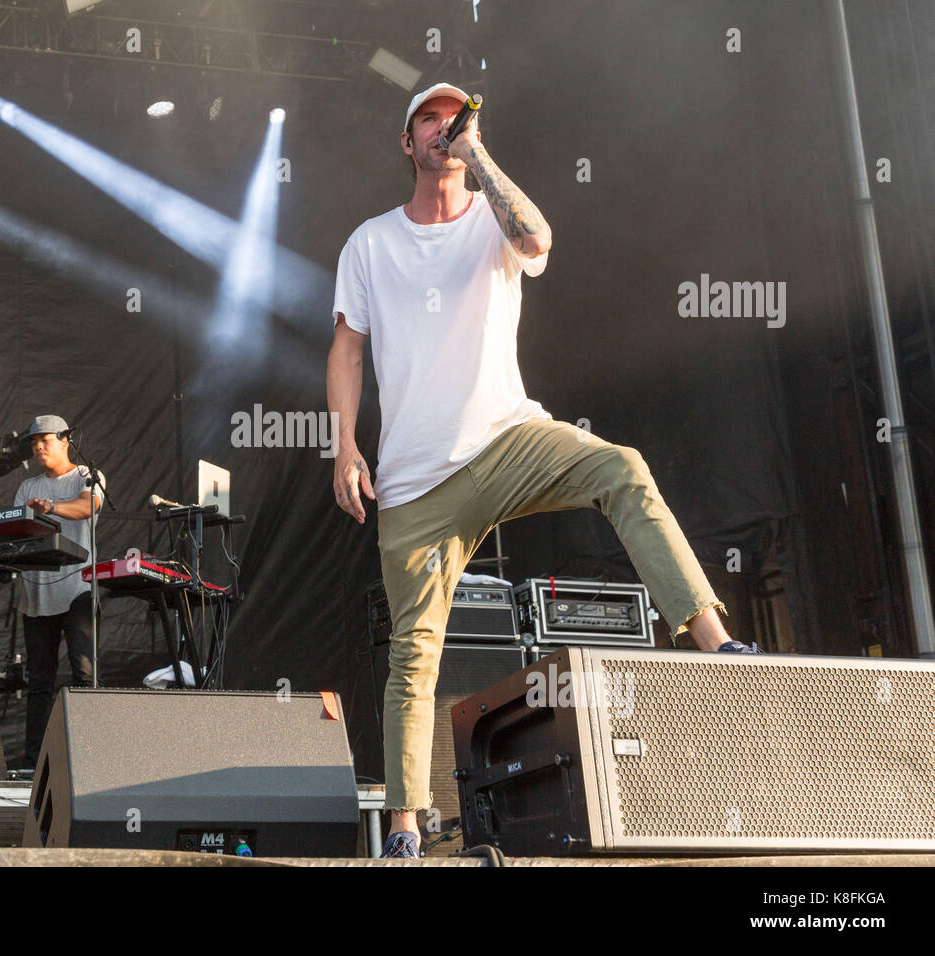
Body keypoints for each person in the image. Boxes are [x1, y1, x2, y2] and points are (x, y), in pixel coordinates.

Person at [327, 83, 763, 860]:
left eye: (455, 119)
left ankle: (715, 645)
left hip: (506, 440)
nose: (443, 129)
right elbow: (348, 350)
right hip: (414, 482)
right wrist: (345, 446)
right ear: (405, 141)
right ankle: (403, 833)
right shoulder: (369, 244)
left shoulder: (495, 216)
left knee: (620, 468)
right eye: (429, 120)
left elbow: (537, 238)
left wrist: (478, 157)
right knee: (413, 652)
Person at [13, 414, 105, 766]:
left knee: (84, 674)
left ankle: (88, 760)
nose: (38, 447)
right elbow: (17, 531)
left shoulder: (87, 477)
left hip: (78, 588)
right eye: (34, 443)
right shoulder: (26, 488)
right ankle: (33, 763)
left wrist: (50, 509)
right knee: (39, 683)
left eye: (45, 440)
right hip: (37, 595)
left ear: (66, 440)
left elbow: (88, 507)